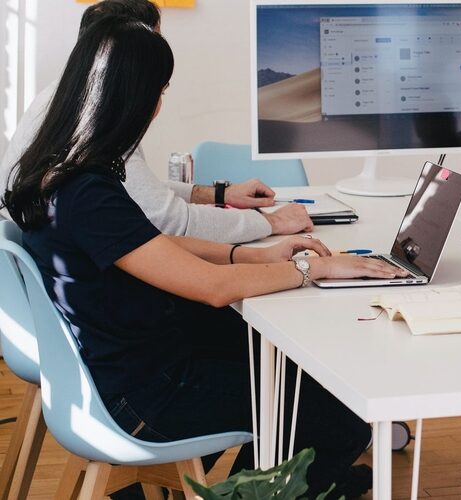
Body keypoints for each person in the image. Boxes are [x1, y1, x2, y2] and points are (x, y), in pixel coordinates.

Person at [1, 17, 406, 498]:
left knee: (278, 367)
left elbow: (148, 246)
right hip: (143, 396)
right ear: (135, 96)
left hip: (123, 370)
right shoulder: (89, 191)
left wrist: (252, 257)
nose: (159, 105)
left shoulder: (59, 172)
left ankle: (252, 484)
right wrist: (310, 268)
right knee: (336, 414)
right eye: (161, 89)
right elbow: (211, 289)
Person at [0, 0, 312, 243]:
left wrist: (219, 195)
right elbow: (171, 222)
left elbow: (132, 190)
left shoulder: (62, 99)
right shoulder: (96, 119)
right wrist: (271, 223)